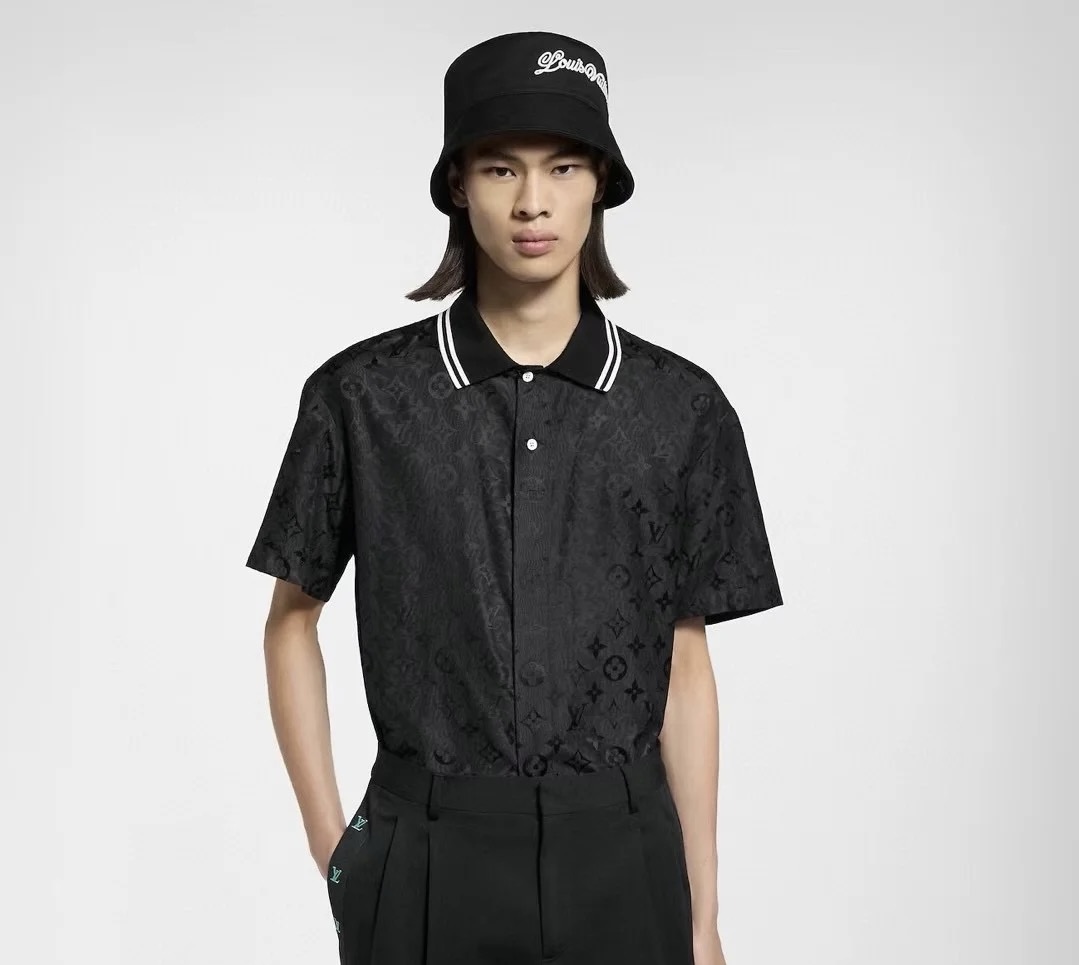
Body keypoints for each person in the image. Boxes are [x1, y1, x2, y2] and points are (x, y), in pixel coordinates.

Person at [245, 30, 783, 965]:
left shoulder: (680, 409)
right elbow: (291, 621)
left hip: (625, 860)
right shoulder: (361, 398)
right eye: (500, 168)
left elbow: (685, 661)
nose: (533, 201)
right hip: (425, 857)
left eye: (563, 167)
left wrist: (700, 914)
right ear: (458, 184)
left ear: (601, 183)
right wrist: (338, 853)